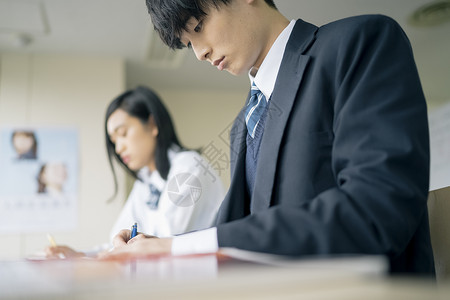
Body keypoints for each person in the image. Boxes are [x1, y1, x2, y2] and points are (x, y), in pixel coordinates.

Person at [102, 0, 435, 275]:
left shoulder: (360, 43)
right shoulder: (242, 124)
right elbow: (240, 232)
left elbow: (374, 210)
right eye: (189, 43)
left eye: (198, 27)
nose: (200, 52)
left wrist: (174, 247)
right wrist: (158, 247)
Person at [46, 86, 225, 258]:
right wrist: (82, 255)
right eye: (114, 141)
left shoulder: (189, 167)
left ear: (153, 124)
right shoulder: (146, 181)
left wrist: (107, 254)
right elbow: (117, 241)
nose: (118, 148)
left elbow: (160, 242)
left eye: (123, 133)